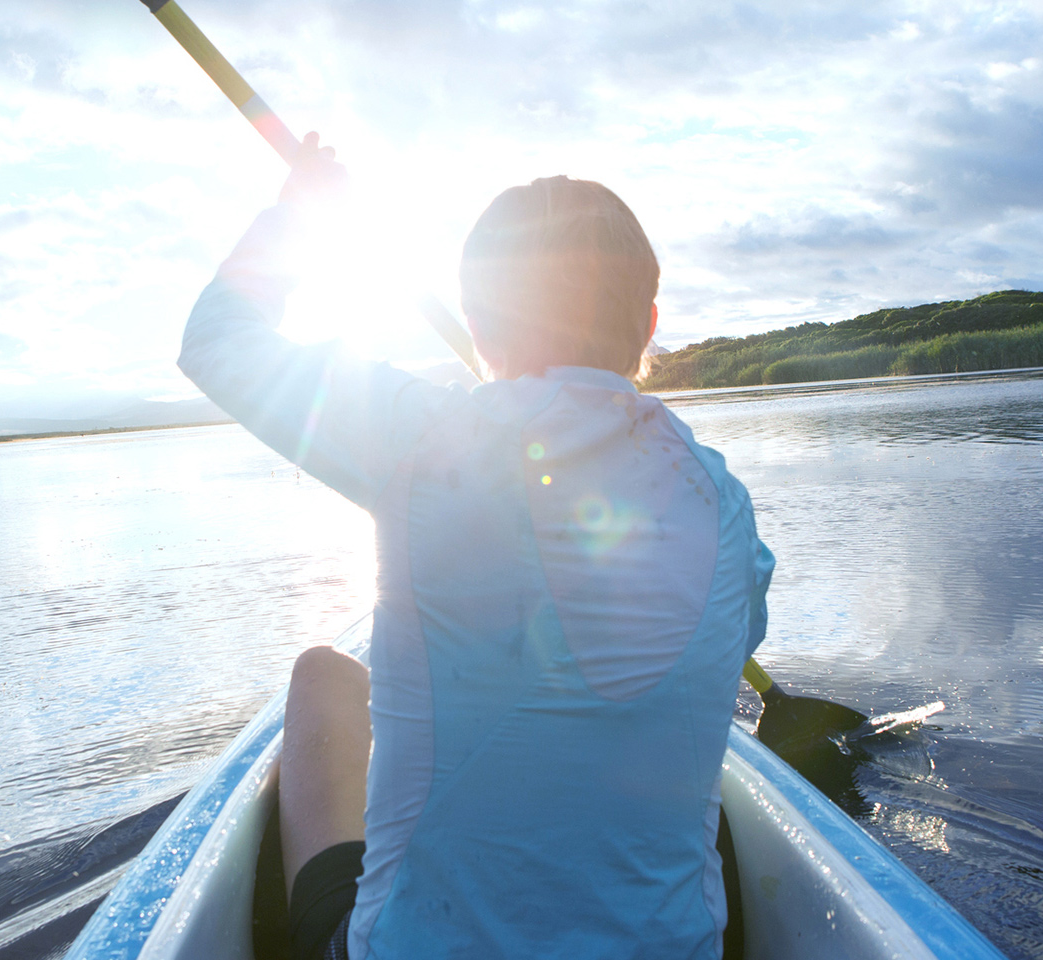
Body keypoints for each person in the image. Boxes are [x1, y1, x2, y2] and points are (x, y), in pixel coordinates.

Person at [178, 133, 773, 960]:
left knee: (323, 675)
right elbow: (723, 647)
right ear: (648, 325)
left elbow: (217, 339)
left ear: (480, 326)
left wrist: (299, 212)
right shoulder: (727, 503)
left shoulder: (423, 437)